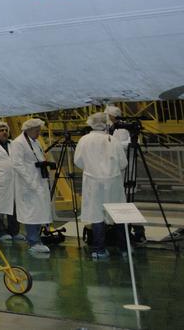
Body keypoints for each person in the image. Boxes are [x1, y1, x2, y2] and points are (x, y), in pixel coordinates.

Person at [74, 111, 129, 259]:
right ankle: (124, 249)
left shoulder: (84, 140)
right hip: (113, 182)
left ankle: (99, 250)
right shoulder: (113, 140)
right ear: (106, 124)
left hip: (93, 183)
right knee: (118, 215)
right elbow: (123, 163)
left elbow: (77, 161)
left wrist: (91, 168)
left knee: (96, 215)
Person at [10, 117, 55, 256]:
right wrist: (31, 182)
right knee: (31, 213)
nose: (39, 133)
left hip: (38, 182)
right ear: (28, 130)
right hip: (28, 184)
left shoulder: (34, 142)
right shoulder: (18, 143)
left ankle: (37, 239)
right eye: (37, 130)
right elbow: (17, 164)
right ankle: (33, 242)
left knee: (39, 211)